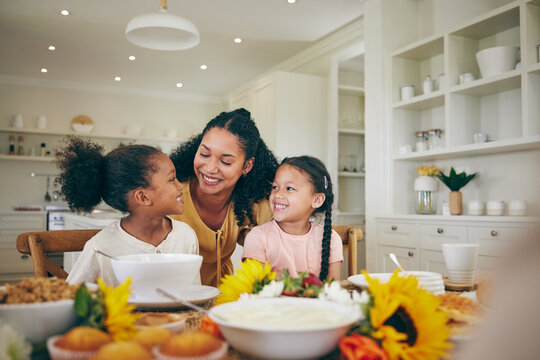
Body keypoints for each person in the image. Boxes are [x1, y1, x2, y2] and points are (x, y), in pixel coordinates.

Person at [55, 136, 198, 286]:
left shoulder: (186, 236)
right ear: (143, 197)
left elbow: (194, 294)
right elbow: (72, 299)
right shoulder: (100, 248)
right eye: (172, 179)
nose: (180, 185)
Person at [169, 108, 279, 286]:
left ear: (247, 165)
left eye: (225, 161)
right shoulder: (171, 192)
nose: (210, 168)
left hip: (221, 299)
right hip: (169, 301)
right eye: (204, 154)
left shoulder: (253, 203)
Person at [242, 156, 343, 281]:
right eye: (275, 187)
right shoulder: (258, 237)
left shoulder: (332, 239)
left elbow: (333, 293)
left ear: (317, 200)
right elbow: (256, 292)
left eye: (289, 188)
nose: (277, 194)